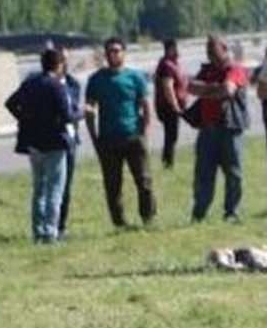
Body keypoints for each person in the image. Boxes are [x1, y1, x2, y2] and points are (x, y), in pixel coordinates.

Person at [5, 49, 81, 243]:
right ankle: (50, 231)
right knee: (55, 188)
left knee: (39, 188)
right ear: (59, 65)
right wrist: (82, 113)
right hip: (55, 142)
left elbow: (11, 103)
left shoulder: (30, 84)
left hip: (33, 142)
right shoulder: (57, 86)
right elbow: (66, 116)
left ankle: (37, 231)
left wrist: (25, 119)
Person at [85, 37, 156, 228]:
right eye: (109, 51)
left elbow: (146, 107)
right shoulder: (96, 80)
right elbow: (89, 109)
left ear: (124, 53)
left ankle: (148, 218)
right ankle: (119, 222)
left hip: (133, 135)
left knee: (144, 181)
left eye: (117, 50)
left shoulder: (135, 77)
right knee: (112, 184)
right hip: (108, 139)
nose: (113, 54)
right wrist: (94, 138)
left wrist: (146, 135)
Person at [188, 35, 249, 222]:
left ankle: (232, 212)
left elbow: (228, 91)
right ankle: (199, 214)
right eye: (208, 52)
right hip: (207, 129)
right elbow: (190, 87)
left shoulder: (235, 69)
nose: (211, 56)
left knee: (233, 174)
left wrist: (207, 90)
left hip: (229, 128)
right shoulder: (207, 71)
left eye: (214, 51)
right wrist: (214, 88)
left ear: (224, 49)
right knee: (203, 174)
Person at [58, 49, 83, 238]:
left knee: (66, 185)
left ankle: (61, 225)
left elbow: (72, 109)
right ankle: (48, 225)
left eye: (67, 60)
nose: (64, 64)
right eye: (61, 60)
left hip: (70, 140)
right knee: (51, 186)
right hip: (53, 140)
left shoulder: (73, 84)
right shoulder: (45, 83)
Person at [153, 39, 188, 169]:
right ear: (171, 49)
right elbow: (168, 87)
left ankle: (167, 160)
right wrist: (175, 106)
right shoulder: (167, 66)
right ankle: (168, 162)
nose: (180, 51)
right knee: (171, 135)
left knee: (171, 135)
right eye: (178, 48)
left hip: (170, 106)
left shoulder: (172, 64)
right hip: (168, 107)